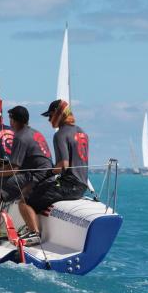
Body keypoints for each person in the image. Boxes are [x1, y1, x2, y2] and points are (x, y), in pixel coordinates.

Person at [18, 99, 90, 234]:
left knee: (24, 201)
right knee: (39, 191)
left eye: (50, 115)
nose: (49, 119)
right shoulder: (82, 132)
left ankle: (33, 233)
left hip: (69, 186)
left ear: (59, 114)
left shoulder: (60, 134)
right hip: (82, 186)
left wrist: (46, 174)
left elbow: (63, 165)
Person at [0, 106, 53, 234]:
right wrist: (4, 165)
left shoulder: (20, 137)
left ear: (13, 121)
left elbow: (13, 169)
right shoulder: (34, 132)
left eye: (10, 119)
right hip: (47, 174)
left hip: (36, 177)